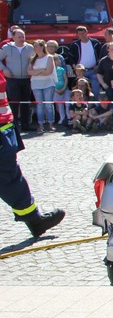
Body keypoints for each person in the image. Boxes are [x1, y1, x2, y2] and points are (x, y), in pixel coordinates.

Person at [0, 70, 64, 236]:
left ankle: (33, 219)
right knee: (9, 178)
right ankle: (34, 219)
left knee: (10, 177)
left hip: (4, 127)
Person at [0, 29, 35, 132]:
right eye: (19, 37)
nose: (21, 39)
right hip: (12, 79)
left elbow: (34, 60)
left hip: (26, 79)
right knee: (14, 103)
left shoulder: (30, 48)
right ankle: (14, 125)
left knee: (26, 103)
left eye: (23, 36)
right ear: (13, 37)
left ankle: (26, 125)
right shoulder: (6, 48)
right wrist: (4, 69)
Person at [28, 40, 56, 132]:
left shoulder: (49, 57)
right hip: (36, 84)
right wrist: (41, 70)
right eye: (34, 46)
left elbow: (48, 71)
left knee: (48, 104)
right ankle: (41, 125)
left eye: (36, 46)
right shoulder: (32, 58)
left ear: (42, 47)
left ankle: (51, 124)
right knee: (39, 105)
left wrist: (36, 72)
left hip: (48, 83)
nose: (35, 48)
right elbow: (29, 72)